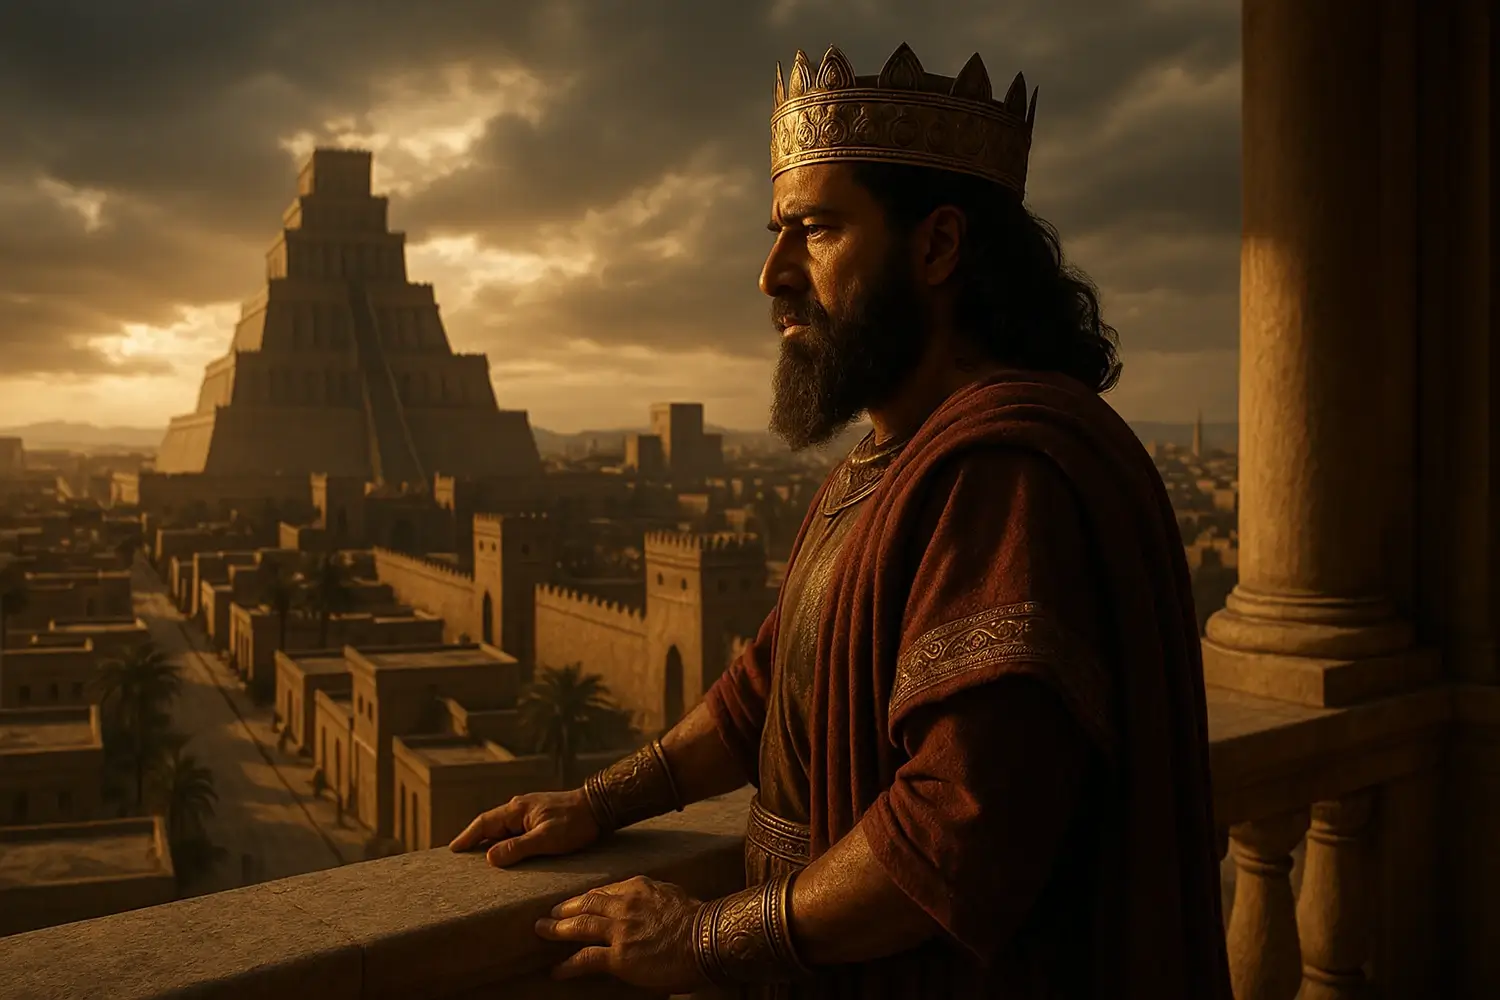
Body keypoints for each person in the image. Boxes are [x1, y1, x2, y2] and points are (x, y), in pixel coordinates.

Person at [451, 42, 1231, 999]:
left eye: (814, 230)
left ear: (938, 247)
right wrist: (598, 802)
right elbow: (767, 689)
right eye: (777, 233)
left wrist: (704, 937)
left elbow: (954, 828)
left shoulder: (1001, 474)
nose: (772, 273)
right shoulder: (891, 460)